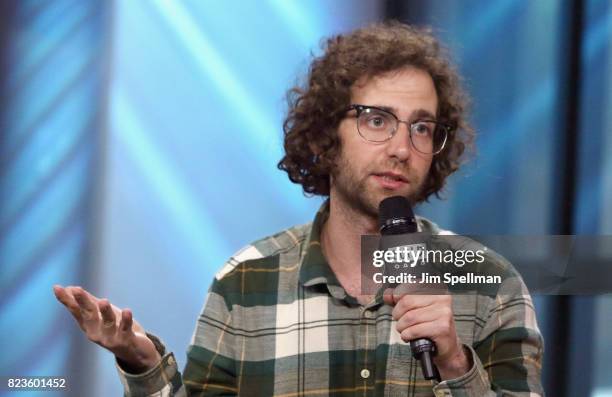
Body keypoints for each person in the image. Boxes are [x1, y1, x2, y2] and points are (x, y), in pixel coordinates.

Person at [53, 22, 543, 396]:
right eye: (377, 119)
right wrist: (143, 363)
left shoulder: (490, 284)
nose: (401, 147)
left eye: (421, 127)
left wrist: (457, 365)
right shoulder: (247, 283)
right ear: (328, 134)